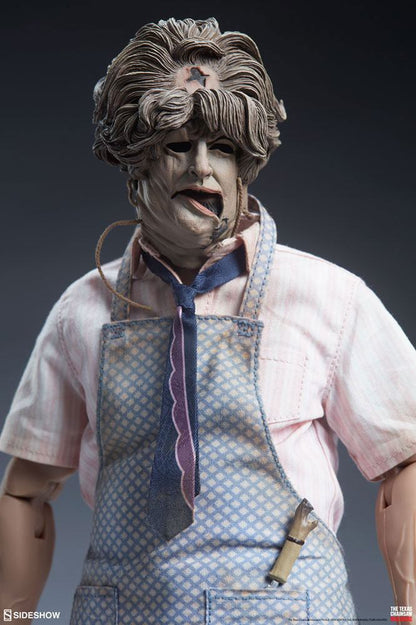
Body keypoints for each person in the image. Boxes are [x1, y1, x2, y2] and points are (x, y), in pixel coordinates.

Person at [0, 17, 415, 625]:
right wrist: (14, 618)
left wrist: (407, 610)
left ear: (246, 164)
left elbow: (405, 462)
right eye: (177, 145)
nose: (202, 167)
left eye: (222, 147)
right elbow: (25, 490)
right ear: (135, 162)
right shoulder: (82, 311)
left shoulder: (329, 298)